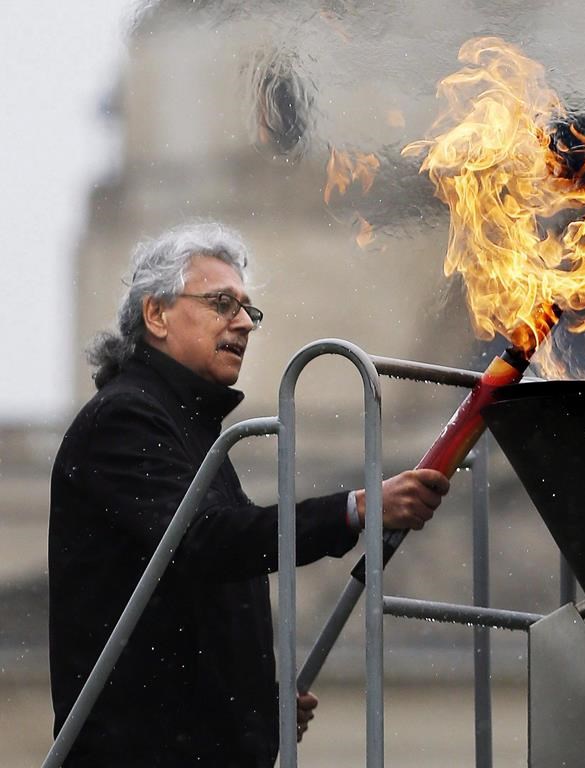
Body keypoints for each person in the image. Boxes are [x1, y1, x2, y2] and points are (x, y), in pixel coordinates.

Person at [48, 221, 450, 767]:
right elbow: (202, 543)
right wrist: (355, 509)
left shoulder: (188, 426)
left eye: (247, 309)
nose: (243, 322)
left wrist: (254, 703)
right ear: (156, 314)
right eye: (221, 303)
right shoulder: (126, 418)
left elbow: (202, 600)